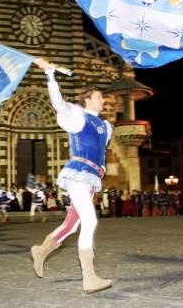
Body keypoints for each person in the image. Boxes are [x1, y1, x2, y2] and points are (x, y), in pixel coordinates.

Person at [30, 58, 113, 293]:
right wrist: (49, 74)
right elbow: (59, 103)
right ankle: (89, 277)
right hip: (77, 175)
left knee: (72, 224)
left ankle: (41, 250)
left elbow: (101, 149)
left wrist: (103, 166)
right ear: (87, 99)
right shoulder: (78, 115)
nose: (103, 100)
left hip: (91, 177)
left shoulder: (106, 126)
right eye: (99, 97)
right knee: (90, 220)